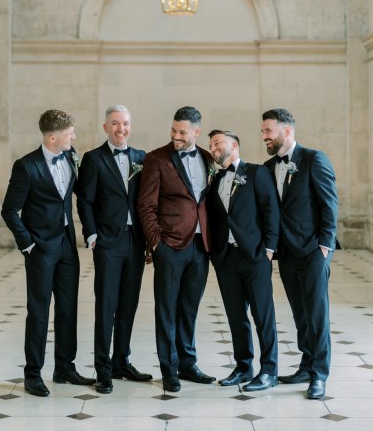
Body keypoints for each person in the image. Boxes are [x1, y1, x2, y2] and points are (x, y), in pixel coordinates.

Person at [1, 109, 94, 397]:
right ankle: (33, 373)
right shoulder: (26, 166)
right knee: (39, 312)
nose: (74, 137)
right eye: (70, 134)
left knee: (67, 308)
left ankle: (65, 367)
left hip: (67, 245)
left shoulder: (71, 155)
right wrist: (28, 244)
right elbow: (9, 210)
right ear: (53, 137)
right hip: (40, 249)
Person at [261, 108, 339, 400]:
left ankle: (319, 375)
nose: (265, 136)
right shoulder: (269, 166)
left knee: (317, 314)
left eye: (269, 130)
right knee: (300, 313)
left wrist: (324, 247)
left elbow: (329, 203)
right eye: (263, 132)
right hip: (287, 252)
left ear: (287, 131)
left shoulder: (313, 159)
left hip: (313, 251)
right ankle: (306, 366)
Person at [137, 106, 216, 392]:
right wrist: (157, 243)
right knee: (167, 309)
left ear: (196, 132)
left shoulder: (208, 158)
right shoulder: (156, 159)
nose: (176, 136)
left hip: (200, 246)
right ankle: (169, 369)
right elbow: (145, 205)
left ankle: (188, 364)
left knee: (189, 309)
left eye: (183, 132)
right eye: (174, 130)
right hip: (169, 245)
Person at [76, 105, 152, 394]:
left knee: (129, 304)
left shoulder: (141, 158)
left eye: (126, 123)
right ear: (105, 127)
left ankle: (122, 361)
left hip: (136, 241)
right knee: (106, 306)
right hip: (108, 241)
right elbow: (85, 201)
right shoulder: (93, 159)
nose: (122, 129)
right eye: (116, 124)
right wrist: (92, 234)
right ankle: (103, 370)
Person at [207, 130, 280, 392]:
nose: (213, 148)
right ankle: (243, 366)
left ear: (234, 145)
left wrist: (269, 249)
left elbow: (271, 211)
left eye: (217, 143)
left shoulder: (257, 173)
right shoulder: (214, 179)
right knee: (236, 316)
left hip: (254, 255)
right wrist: (215, 254)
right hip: (226, 259)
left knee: (263, 316)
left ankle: (269, 370)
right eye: (211, 145)